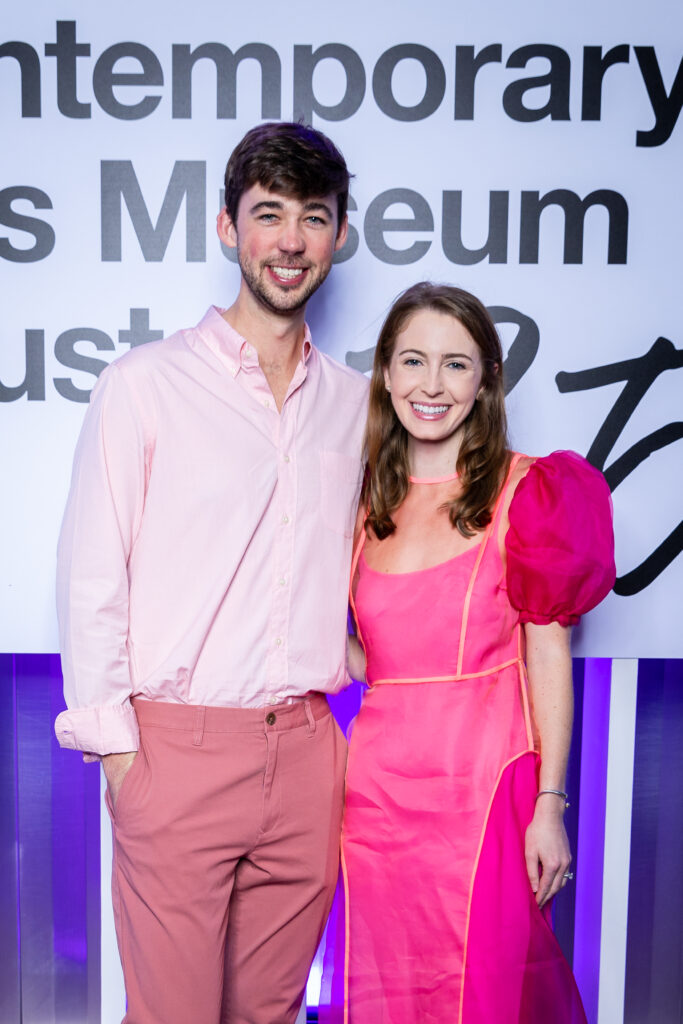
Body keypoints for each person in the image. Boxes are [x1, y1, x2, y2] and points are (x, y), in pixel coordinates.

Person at [54, 122, 368, 1024]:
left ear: (338, 236)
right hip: (175, 755)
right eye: (268, 215)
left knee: (269, 1015)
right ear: (229, 229)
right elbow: (92, 579)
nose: (291, 241)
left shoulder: (354, 404)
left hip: (309, 754)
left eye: (313, 217)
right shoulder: (144, 384)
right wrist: (122, 760)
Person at [341, 282, 615, 1023]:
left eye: (456, 364)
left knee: (488, 992)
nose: (431, 385)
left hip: (486, 791)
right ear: (386, 375)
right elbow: (378, 660)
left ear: (487, 379)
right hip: (374, 801)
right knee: (385, 990)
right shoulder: (361, 501)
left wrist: (550, 807)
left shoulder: (532, 491)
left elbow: (547, 654)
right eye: (413, 361)